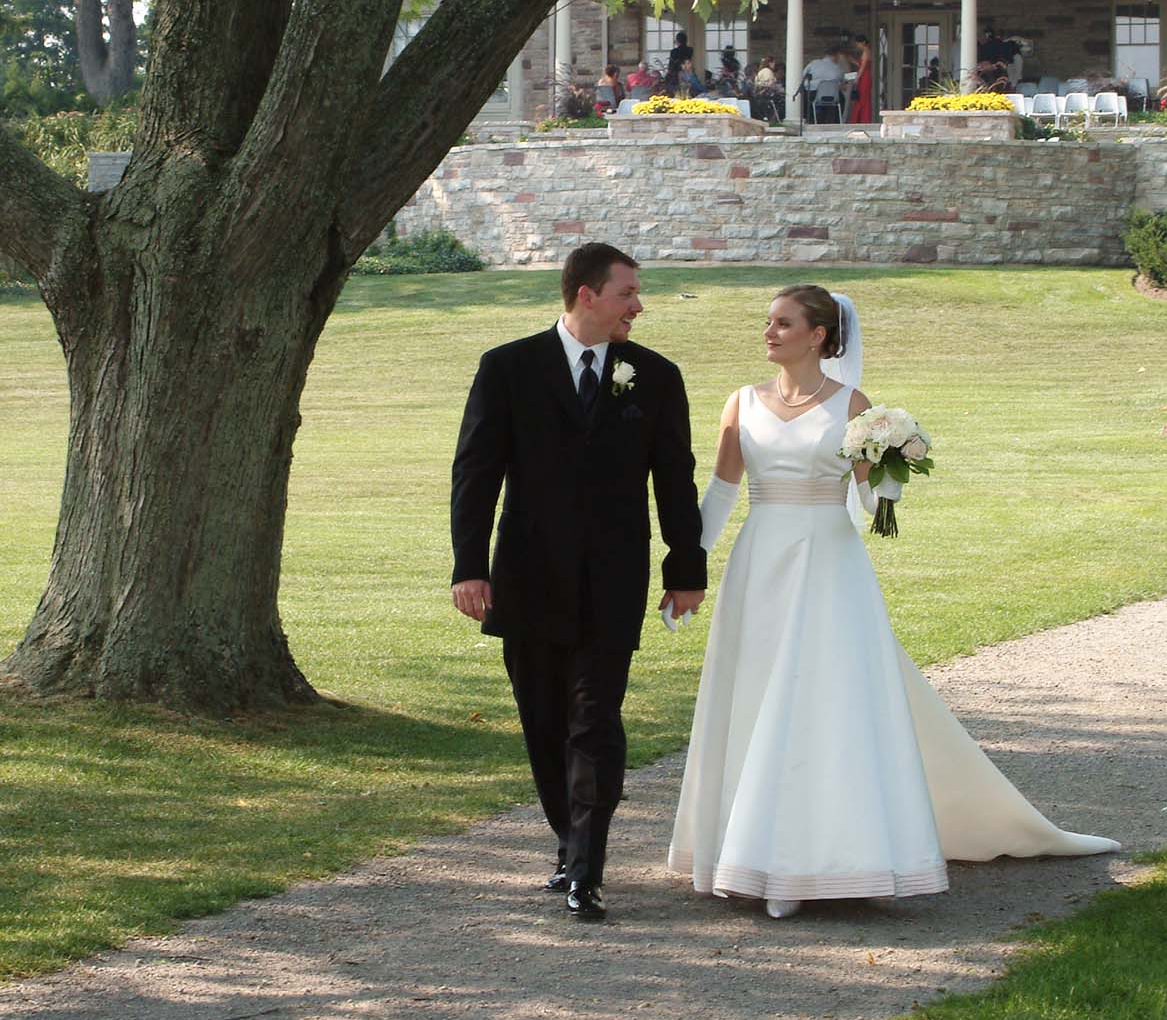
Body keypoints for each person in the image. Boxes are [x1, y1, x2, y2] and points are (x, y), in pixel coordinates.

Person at [667, 286, 1118, 919]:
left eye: (783, 323)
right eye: (767, 322)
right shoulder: (741, 403)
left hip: (827, 561)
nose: (769, 332)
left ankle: (822, 862)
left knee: (823, 701)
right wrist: (685, 568)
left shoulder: (851, 405)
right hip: (759, 560)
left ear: (819, 335)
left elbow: (876, 508)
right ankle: (754, 855)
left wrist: (894, 464)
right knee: (757, 695)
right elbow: (720, 492)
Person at [451, 243, 708, 923]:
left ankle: (587, 867)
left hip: (614, 581)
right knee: (544, 721)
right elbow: (475, 474)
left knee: (596, 723)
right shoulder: (507, 368)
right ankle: (568, 842)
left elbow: (674, 480)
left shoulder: (655, 376)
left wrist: (686, 568)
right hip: (527, 578)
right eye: (628, 293)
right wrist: (468, 567)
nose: (639, 305)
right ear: (586, 295)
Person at [799, 45, 846, 122]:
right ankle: (836, 121)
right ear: (836, 55)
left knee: (806, 97)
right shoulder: (837, 68)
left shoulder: (813, 64)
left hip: (813, 95)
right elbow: (843, 83)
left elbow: (802, 77)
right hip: (833, 97)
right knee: (842, 98)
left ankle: (810, 119)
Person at [845, 35, 875, 124]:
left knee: (862, 99)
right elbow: (860, 64)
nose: (857, 45)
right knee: (861, 98)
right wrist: (852, 60)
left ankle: (863, 119)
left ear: (863, 43)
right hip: (864, 75)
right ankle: (860, 119)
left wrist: (857, 78)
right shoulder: (866, 51)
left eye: (858, 43)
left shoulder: (866, 51)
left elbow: (863, 67)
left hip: (864, 77)